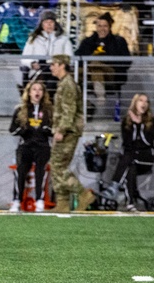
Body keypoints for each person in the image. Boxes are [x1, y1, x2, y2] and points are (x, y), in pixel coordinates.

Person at [48, 53, 96, 211]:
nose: (51, 68)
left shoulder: (68, 84)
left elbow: (69, 111)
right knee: (57, 166)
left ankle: (83, 194)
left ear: (62, 65)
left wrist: (61, 130)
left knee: (58, 166)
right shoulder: (63, 83)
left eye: (54, 64)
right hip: (64, 130)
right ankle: (62, 203)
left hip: (68, 131)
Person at [8, 80, 53, 213]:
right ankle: (17, 201)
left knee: (41, 172)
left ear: (44, 93)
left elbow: (55, 128)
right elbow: (12, 129)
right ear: (29, 92)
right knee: (20, 172)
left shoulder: (49, 110)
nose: (37, 92)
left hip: (42, 146)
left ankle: (40, 201)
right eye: (34, 89)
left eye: (40, 89)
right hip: (25, 146)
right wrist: (23, 131)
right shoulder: (20, 109)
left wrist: (47, 130)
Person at [109, 93, 154, 211]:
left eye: (146, 101)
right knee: (130, 165)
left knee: (128, 158)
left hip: (145, 159)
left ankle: (114, 186)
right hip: (131, 159)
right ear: (135, 103)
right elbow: (127, 143)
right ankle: (130, 204)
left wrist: (139, 124)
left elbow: (147, 141)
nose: (144, 103)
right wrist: (134, 125)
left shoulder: (153, 122)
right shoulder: (126, 122)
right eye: (141, 100)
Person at [75, 12, 131, 115]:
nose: (102, 28)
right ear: (96, 27)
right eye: (99, 26)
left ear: (110, 27)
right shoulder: (87, 41)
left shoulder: (118, 41)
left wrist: (105, 60)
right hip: (88, 71)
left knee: (96, 63)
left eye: (105, 26)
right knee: (76, 73)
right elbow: (77, 57)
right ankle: (93, 100)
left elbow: (127, 61)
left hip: (111, 72)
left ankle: (99, 96)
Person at [20, 9, 72, 92]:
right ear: (41, 24)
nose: (49, 25)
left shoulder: (63, 39)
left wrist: (58, 65)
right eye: (46, 22)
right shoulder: (34, 39)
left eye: (51, 22)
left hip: (56, 70)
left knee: (50, 79)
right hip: (38, 68)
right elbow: (24, 57)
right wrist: (32, 63)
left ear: (55, 24)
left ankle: (37, 83)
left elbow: (70, 57)